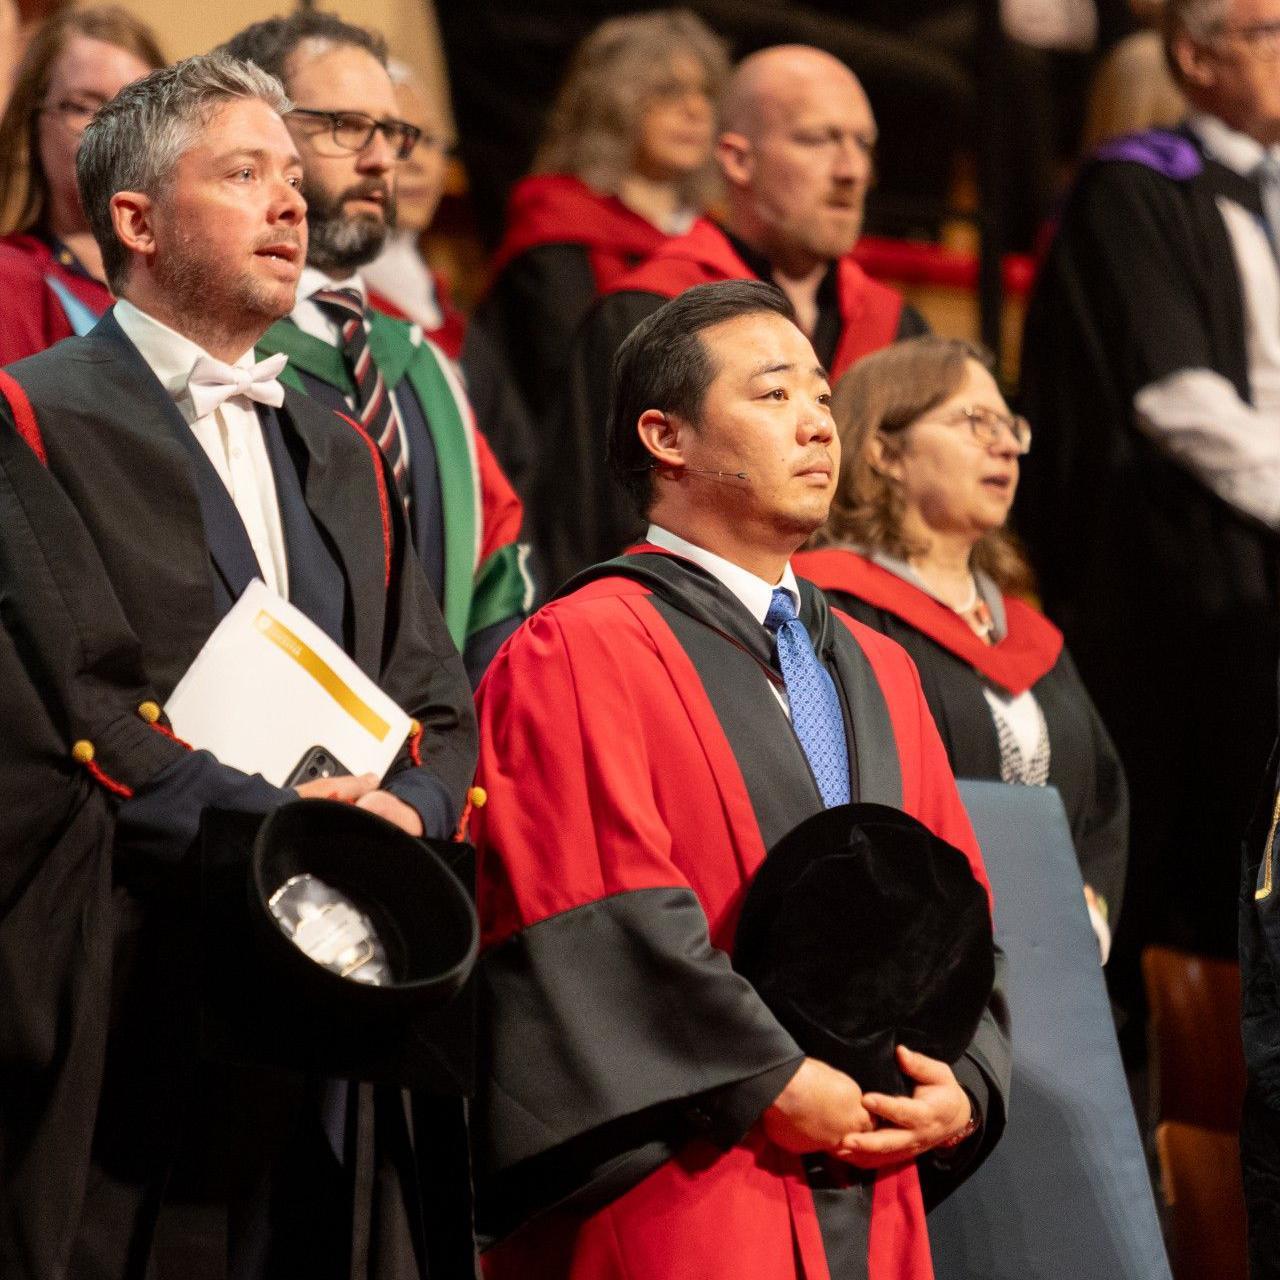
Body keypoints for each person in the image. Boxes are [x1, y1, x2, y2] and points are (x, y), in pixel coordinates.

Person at [0, 53, 477, 1277]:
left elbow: (436, 700)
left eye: (291, 177)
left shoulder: (341, 448)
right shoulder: (30, 418)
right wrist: (283, 824)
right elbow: (71, 714)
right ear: (136, 220)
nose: (292, 202)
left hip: (331, 997)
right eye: (244, 172)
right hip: (132, 994)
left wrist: (401, 808)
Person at [470, 281, 1010, 1279]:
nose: (814, 421)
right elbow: (592, 912)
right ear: (663, 436)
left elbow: (953, 913)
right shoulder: (578, 646)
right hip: (686, 1181)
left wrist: (964, 1079)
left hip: (871, 1176)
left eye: (818, 394)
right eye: (770, 396)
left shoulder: (880, 668)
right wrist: (767, 1072)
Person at [1017, 0, 1280, 1002]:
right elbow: (1175, 400)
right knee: (1189, 880)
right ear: (1193, 55)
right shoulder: (1133, 187)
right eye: (1264, 34)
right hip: (1183, 584)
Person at [543, 43, 928, 590]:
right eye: (818, 140)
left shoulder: (897, 331)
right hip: (691, 633)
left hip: (867, 649)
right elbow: (588, 530)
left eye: (862, 144)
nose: (851, 171)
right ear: (737, 159)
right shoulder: (649, 316)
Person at [795, 336, 1128, 961]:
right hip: (908, 970)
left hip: (1054, 970)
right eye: (975, 421)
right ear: (885, 451)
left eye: (1010, 426)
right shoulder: (833, 612)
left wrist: (1092, 911)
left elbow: (1103, 799)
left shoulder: (1027, 633)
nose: (1004, 444)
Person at [223, 12, 532, 684]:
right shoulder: (219, 356)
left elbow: (495, 569)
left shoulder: (423, 363)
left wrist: (462, 737)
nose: (380, 160)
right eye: (346, 126)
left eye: (392, 132)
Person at [473, 10, 729, 427]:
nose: (696, 109)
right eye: (668, 91)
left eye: (706, 93)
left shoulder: (715, 240)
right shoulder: (556, 235)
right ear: (614, 102)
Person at [364, 60, 538, 491]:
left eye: (430, 142)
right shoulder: (335, 308)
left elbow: (517, 462)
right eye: (396, 136)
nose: (418, 162)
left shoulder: (449, 312)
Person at [0, 5, 163, 363]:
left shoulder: (193, 280)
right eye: (82, 108)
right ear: (32, 124)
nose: (112, 130)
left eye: (136, 110)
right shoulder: (9, 280)